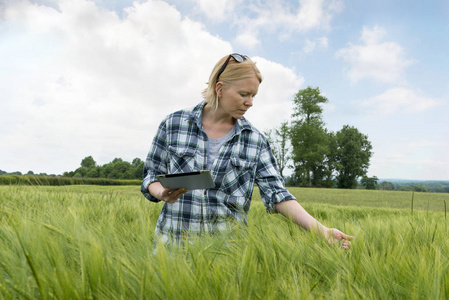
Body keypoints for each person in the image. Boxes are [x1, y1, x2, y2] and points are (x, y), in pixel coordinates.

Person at [141, 53, 353, 248]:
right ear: (220, 88)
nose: (250, 102)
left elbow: (277, 194)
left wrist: (321, 231)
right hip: (170, 251)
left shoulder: (255, 140)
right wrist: (161, 192)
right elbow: (151, 175)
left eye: (254, 95)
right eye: (244, 94)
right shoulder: (173, 124)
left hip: (227, 258)